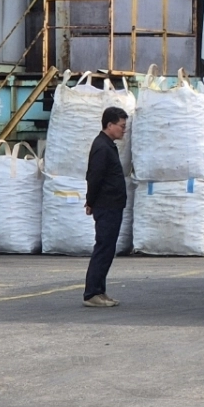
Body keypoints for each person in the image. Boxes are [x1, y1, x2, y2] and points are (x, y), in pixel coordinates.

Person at [83, 106, 129, 308]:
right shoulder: (102, 147)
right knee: (103, 248)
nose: (123, 130)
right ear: (109, 125)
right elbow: (95, 177)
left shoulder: (107, 145)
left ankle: (100, 291)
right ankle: (92, 293)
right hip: (106, 205)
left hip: (112, 205)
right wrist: (90, 201)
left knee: (107, 249)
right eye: (121, 126)